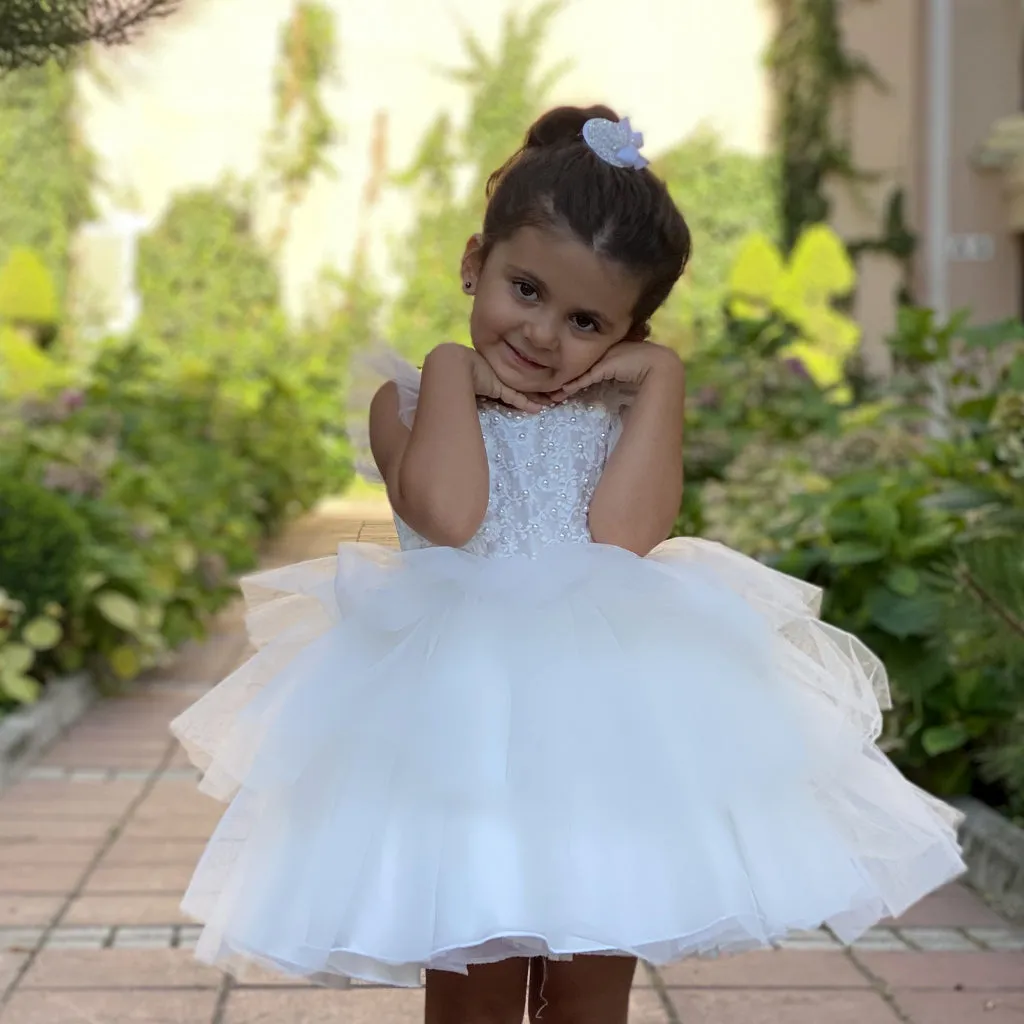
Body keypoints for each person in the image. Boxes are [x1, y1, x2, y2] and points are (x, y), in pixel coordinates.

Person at [171, 104, 966, 1024]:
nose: (545, 335)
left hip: (606, 728)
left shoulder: (619, 411)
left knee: (593, 974)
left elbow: (624, 540)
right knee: (477, 970)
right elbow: (450, 513)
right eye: (524, 290)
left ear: (629, 332)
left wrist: (661, 380)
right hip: (453, 727)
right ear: (475, 263)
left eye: (588, 320)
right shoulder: (412, 396)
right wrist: (452, 368)